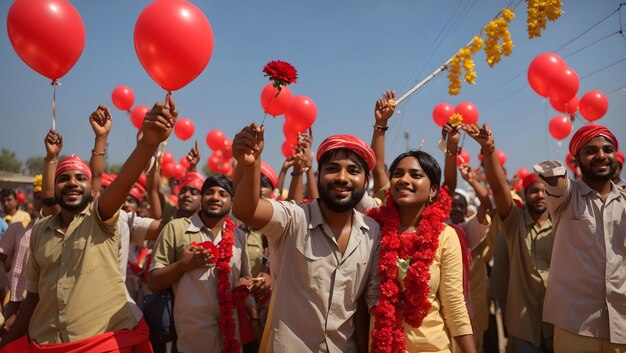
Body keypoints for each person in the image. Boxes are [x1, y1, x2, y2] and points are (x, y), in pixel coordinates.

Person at [0, 96, 177, 351]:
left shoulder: (101, 217)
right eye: (64, 179)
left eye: (80, 178)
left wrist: (148, 145)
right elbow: (35, 297)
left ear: (90, 189)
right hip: (46, 343)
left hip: (101, 342)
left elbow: (124, 181)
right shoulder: (41, 229)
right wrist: (8, 341)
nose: (72, 183)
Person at [231, 123, 381, 353]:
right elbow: (246, 211)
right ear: (319, 175)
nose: (342, 178)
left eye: (353, 170)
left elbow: (362, 307)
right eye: (332, 169)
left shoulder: (372, 231)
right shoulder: (293, 218)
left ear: (366, 180)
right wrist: (251, 164)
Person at [364, 90, 474, 353]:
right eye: (398, 174)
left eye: (416, 175)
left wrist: (451, 150)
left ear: (433, 189)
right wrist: (380, 125)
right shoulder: (375, 228)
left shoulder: (444, 236)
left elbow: (454, 304)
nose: (405, 180)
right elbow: (377, 168)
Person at [535, 124, 626, 353]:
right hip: (575, 326)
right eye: (591, 150)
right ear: (576, 160)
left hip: (621, 325)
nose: (601, 156)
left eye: (607, 149)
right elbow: (555, 184)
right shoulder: (566, 197)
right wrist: (555, 176)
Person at [465, 123, 554, 353]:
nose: (540, 195)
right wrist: (488, 149)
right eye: (534, 190)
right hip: (524, 325)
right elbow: (498, 187)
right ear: (524, 193)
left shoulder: (564, 223)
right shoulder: (514, 222)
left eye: (545, 189)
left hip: (560, 322)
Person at [148, 174, 261, 353]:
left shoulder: (239, 235)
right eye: (209, 192)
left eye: (222, 194)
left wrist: (250, 284)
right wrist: (183, 265)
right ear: (202, 198)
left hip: (230, 341)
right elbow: (153, 282)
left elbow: (243, 278)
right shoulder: (176, 228)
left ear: (232, 202)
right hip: (190, 343)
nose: (215, 197)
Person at [0, 178, 42, 335]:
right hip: (21, 297)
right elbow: (5, 260)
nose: (43, 199)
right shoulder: (19, 228)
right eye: (38, 196)